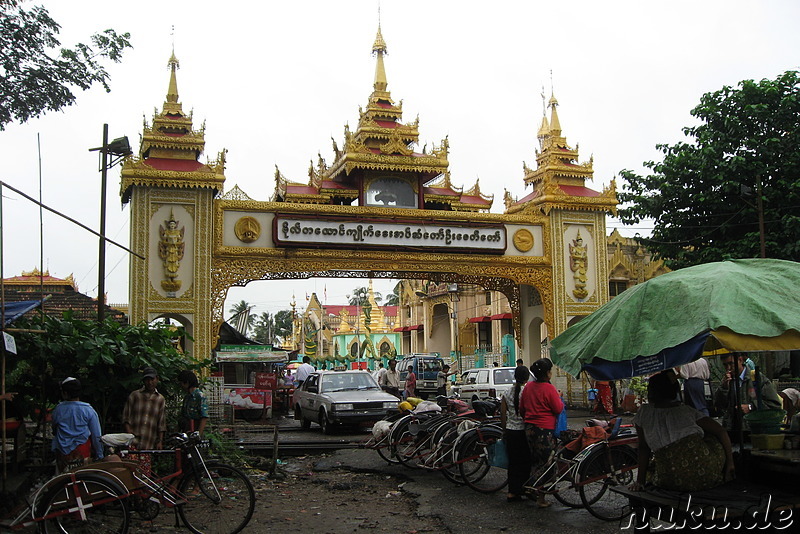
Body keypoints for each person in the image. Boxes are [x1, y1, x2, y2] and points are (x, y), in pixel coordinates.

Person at [630, 370, 734, 492]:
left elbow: (643, 448)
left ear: (651, 392)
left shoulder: (644, 414)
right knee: (711, 436)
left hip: (670, 480)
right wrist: (731, 464)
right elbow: (721, 431)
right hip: (706, 474)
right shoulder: (686, 411)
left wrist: (640, 481)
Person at [519, 358, 563, 508]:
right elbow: (558, 409)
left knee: (535, 460)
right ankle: (539, 495)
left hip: (530, 429)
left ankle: (533, 488)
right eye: (550, 370)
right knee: (546, 463)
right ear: (546, 373)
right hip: (545, 430)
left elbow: (522, 409)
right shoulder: (549, 389)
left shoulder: (529, 387)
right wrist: (559, 397)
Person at [713, 353, 781, 432]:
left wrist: (750, 407)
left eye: (731, 363)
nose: (728, 368)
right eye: (725, 365)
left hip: (753, 429)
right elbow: (719, 406)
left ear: (740, 360)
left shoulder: (757, 378)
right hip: (732, 430)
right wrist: (724, 388)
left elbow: (774, 404)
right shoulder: (727, 381)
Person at [51, 377, 104, 472]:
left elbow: (54, 429)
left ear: (65, 393)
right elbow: (96, 436)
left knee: (64, 478)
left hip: (63, 454)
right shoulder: (88, 410)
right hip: (82, 451)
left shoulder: (58, 409)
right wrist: (100, 455)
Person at [501, 366, 532, 502]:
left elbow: (503, 414)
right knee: (526, 461)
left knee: (513, 462)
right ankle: (525, 488)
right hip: (524, 431)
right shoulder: (527, 392)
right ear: (527, 378)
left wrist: (504, 430)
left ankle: (512, 492)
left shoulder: (506, 392)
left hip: (511, 430)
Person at [122, 366, 166, 450]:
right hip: (133, 440)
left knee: (145, 462)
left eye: (152, 379)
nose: (150, 383)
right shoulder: (135, 395)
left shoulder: (160, 399)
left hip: (149, 442)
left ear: (157, 379)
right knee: (131, 462)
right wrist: (129, 434)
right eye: (147, 380)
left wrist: (160, 441)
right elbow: (126, 417)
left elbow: (161, 423)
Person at [178, 370, 209, 435]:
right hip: (186, 429)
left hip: (195, 428)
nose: (181, 386)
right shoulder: (187, 397)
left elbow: (204, 417)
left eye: (181, 383)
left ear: (187, 383)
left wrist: (198, 434)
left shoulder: (200, 396)